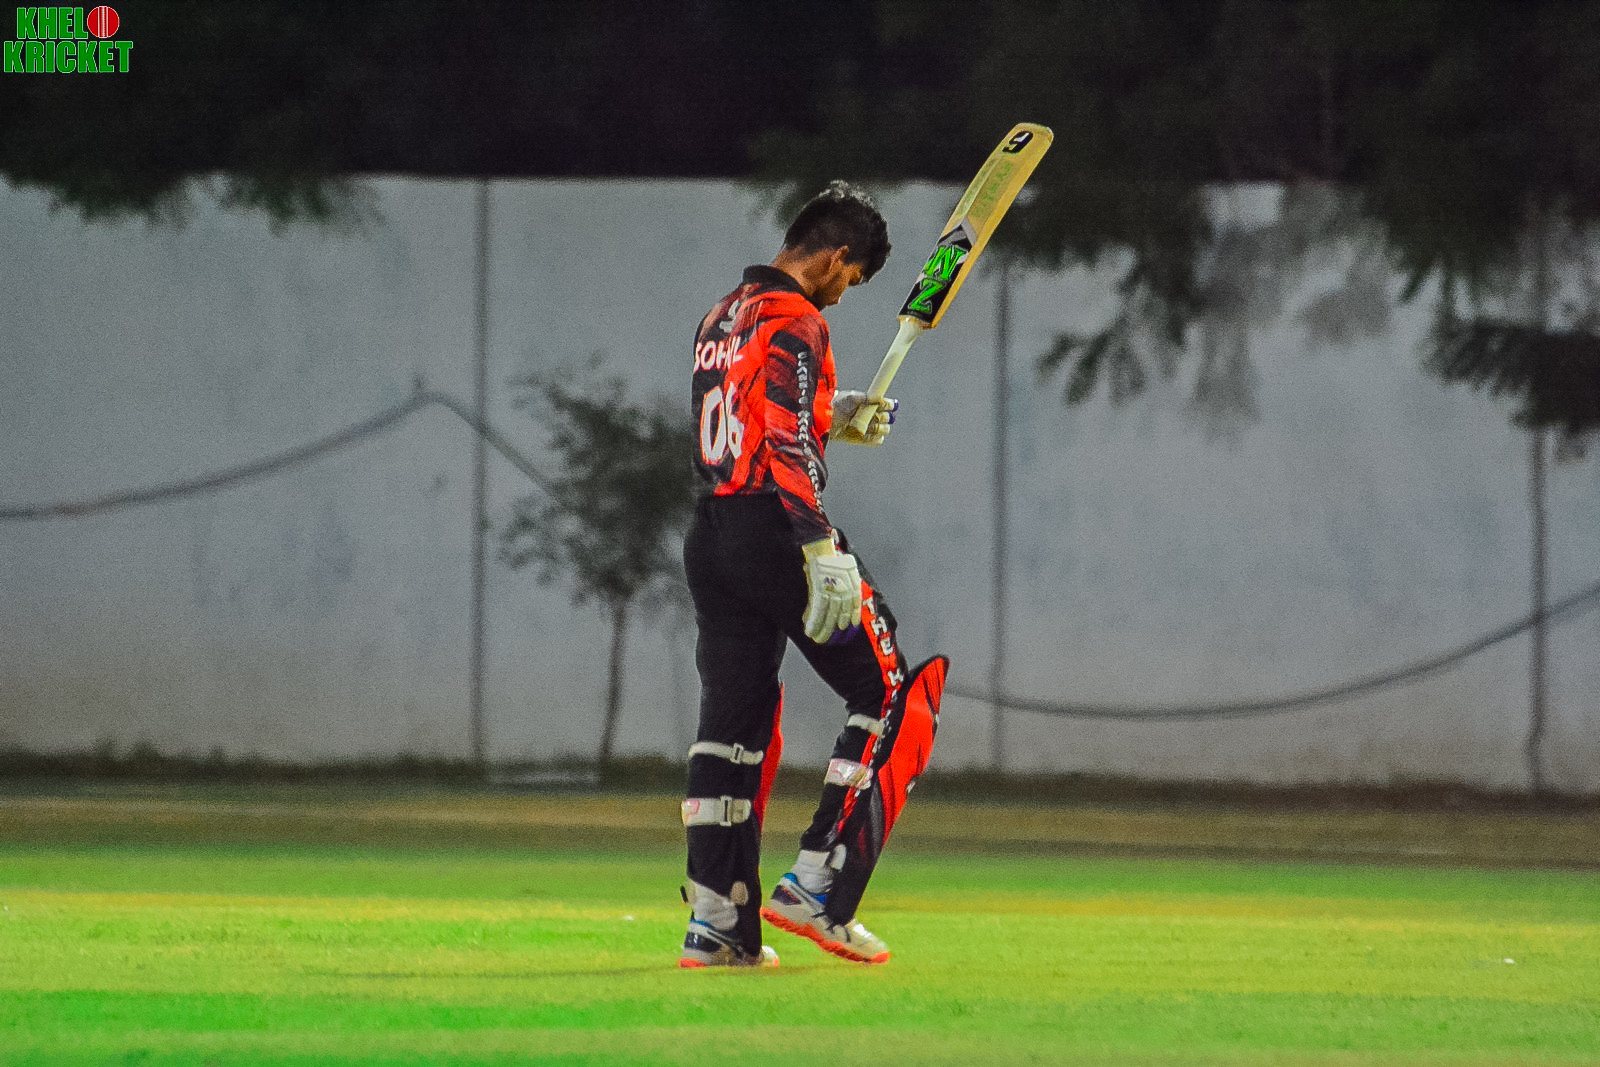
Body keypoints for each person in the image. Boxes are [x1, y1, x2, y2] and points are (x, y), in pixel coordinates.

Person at [679, 181, 949, 968]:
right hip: (775, 528)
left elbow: (755, 411)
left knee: (731, 727)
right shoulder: (798, 318)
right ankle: (820, 883)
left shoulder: (722, 315)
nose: (841, 295)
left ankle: (717, 923)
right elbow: (784, 438)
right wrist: (819, 542)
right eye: (850, 279)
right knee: (891, 689)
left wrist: (835, 410)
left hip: (712, 533)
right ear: (835, 257)